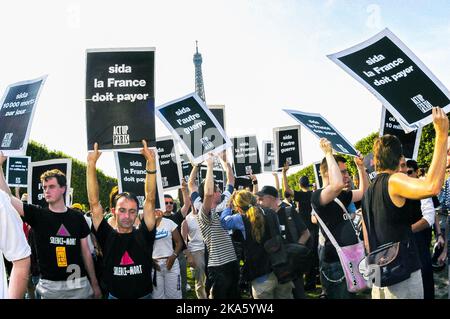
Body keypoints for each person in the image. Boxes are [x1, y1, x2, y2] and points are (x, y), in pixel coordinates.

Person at [361, 107, 448, 299]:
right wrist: (441, 135)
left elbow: (366, 235)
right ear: (400, 158)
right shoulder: (393, 181)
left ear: (376, 160)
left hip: (380, 273)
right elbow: (432, 186)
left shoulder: (368, 192)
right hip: (401, 275)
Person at [0, 153, 101, 299]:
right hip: (49, 288)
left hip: (78, 285)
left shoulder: (78, 217)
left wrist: (95, 283)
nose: (47, 190)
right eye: (45, 187)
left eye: (52, 186)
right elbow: (7, 198)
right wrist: (0, 168)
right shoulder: (37, 214)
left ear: (63, 188)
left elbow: (86, 252)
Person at [87, 141, 156, 299]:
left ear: (137, 213)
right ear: (113, 212)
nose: (127, 216)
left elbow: (150, 199)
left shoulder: (145, 234)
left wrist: (150, 163)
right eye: (122, 210)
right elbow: (94, 203)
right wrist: (91, 164)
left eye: (132, 211)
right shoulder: (106, 235)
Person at [310, 138, 368, 299]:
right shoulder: (318, 196)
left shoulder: (341, 195)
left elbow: (364, 192)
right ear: (329, 171)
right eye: (342, 171)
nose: (347, 175)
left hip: (350, 257)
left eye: (346, 171)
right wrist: (328, 153)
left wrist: (361, 167)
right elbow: (335, 185)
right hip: (335, 263)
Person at [221, 189, 293, 299]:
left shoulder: (242, 218)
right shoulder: (272, 213)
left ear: (238, 208)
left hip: (260, 275)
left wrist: (228, 207)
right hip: (281, 269)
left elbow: (224, 222)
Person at [189, 152, 239, 299]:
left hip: (232, 262)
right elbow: (207, 193)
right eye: (218, 190)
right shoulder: (203, 211)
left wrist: (225, 161)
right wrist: (208, 166)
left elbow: (231, 179)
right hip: (219, 267)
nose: (220, 191)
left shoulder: (223, 202)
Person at [256, 185, 310, 298]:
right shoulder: (262, 216)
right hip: (273, 269)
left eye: (261, 199)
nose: (259, 202)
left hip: (291, 267)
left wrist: (294, 251)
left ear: (270, 198)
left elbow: (306, 233)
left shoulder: (288, 211)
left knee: (298, 295)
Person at [282, 171, 319, 291]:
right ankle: (313, 280)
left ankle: (309, 283)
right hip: (315, 228)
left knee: (306, 255)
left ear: (299, 185)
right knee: (314, 256)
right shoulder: (313, 194)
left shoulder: (302, 196)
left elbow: (287, 190)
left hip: (305, 230)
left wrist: (284, 173)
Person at [405, 159, 435, 299]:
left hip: (420, 241)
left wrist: (405, 231)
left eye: (410, 172)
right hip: (408, 245)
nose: (407, 175)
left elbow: (430, 217)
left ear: (416, 172)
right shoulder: (403, 190)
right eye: (404, 173)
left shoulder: (421, 188)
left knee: (425, 279)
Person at [0, 189, 31, 298]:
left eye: (25, 202)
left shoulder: (3, 203)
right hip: (10, 252)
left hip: (20, 252)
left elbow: (21, 261)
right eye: (23, 201)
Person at [162, 181, 191, 298]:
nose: (169, 204)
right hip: (162, 257)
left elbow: (187, 204)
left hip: (178, 256)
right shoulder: (155, 219)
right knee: (163, 286)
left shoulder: (177, 216)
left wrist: (184, 189)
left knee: (181, 283)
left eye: (171, 203)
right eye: (166, 203)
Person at [152, 209, 183, 299]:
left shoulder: (169, 223)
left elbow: (179, 243)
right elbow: (143, 247)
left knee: (174, 296)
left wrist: (173, 257)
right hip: (154, 266)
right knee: (157, 297)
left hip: (171, 264)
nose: (157, 211)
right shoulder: (146, 225)